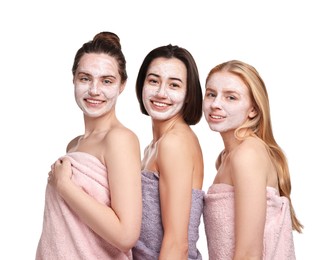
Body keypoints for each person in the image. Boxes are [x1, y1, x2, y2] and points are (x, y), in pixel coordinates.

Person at [35, 32, 142, 260]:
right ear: (73, 79)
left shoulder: (119, 139)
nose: (94, 90)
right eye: (85, 78)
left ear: (122, 85)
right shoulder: (74, 144)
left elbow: (126, 235)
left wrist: (64, 185)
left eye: (106, 81)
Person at [202, 60, 303, 260]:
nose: (216, 104)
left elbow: (249, 254)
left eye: (231, 97)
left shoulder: (247, 155)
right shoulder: (226, 157)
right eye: (211, 94)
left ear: (253, 110)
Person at [132, 44, 204, 260]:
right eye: (153, 81)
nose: (161, 93)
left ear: (189, 94)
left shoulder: (174, 143)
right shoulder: (152, 147)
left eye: (174, 85)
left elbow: (177, 243)